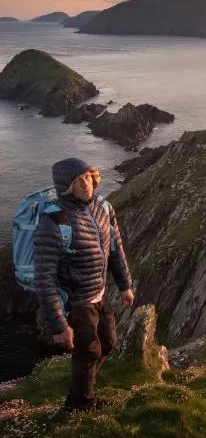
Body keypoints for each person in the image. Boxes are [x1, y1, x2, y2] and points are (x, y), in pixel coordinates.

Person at [34, 157, 134, 415]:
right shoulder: (54, 221)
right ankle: (79, 404)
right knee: (88, 352)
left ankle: (81, 387)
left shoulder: (103, 207)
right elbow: (43, 277)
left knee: (108, 343)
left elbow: (115, 250)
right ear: (65, 187)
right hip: (77, 302)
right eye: (77, 181)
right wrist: (59, 325)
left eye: (88, 177)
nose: (85, 184)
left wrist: (125, 285)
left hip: (100, 294)